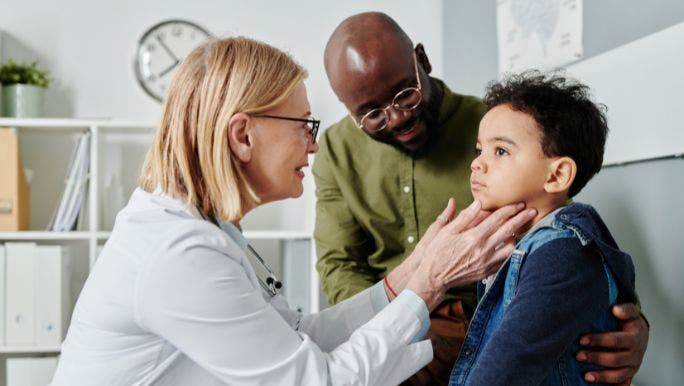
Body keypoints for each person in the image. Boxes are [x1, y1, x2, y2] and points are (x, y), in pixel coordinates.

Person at [51, 37, 537, 386]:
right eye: (303, 124)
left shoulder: (205, 228)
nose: (313, 144)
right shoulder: (178, 254)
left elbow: (299, 335)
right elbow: (317, 381)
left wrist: (409, 275)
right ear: (243, 136)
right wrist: (429, 283)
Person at [313, 11, 649, 385]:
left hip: (482, 328)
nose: (395, 118)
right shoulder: (335, 151)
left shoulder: (499, 122)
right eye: (372, 114)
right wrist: (398, 327)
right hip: (390, 323)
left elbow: (564, 242)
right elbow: (339, 263)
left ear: (421, 60)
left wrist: (627, 318)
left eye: (404, 94)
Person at [449, 72, 637, 385]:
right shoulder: (518, 243)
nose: (477, 164)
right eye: (478, 150)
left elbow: (505, 368)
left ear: (557, 175)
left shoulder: (563, 255)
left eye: (500, 151)